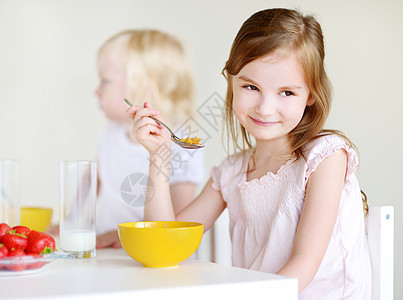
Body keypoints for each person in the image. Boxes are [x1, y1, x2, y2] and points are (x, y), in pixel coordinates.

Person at [128, 8, 371, 299]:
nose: (265, 108)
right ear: (231, 82)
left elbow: (303, 264)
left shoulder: (326, 157)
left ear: (311, 96)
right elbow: (161, 246)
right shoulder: (231, 173)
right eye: (251, 86)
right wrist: (158, 157)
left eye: (287, 93)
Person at [94, 29, 204, 248]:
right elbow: (91, 190)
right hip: (108, 257)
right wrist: (70, 222)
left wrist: (126, 235)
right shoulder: (110, 134)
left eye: (105, 81)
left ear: (143, 85)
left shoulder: (181, 142)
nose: (96, 91)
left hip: (154, 260)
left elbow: (180, 223)